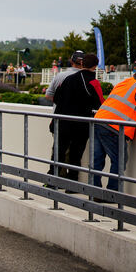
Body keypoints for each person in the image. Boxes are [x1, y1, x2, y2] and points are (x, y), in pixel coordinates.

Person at [91, 66, 136, 193]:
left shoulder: (124, 82)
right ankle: (112, 192)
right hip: (115, 126)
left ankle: (94, 191)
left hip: (99, 120)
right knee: (119, 159)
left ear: (135, 74)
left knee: (97, 159)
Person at [51, 53, 103, 187]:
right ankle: (72, 184)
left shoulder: (68, 79)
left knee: (59, 152)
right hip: (81, 124)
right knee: (75, 154)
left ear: (81, 64)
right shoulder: (93, 82)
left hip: (62, 121)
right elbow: (100, 105)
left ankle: (52, 181)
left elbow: (56, 98)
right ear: (95, 66)